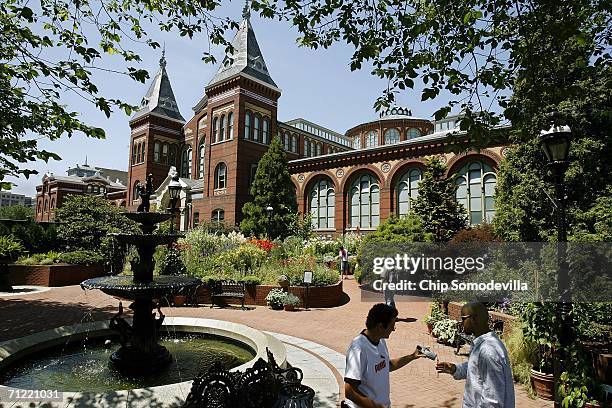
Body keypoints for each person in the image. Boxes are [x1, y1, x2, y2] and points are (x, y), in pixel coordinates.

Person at [343, 303, 424, 408]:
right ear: (381, 326)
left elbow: (387, 365)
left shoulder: (380, 341)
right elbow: (349, 391)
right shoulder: (358, 348)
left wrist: (412, 356)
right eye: (392, 325)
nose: (394, 329)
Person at [436, 302, 515, 408]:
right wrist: (455, 369)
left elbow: (493, 401)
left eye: (463, 319)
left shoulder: (488, 351)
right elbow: (476, 368)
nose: (461, 323)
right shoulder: (483, 344)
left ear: (475, 318)